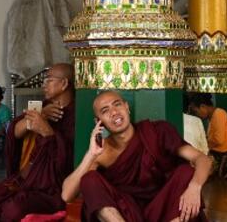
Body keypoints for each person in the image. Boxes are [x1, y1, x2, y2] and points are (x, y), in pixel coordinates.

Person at [63, 91, 212, 222]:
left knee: (185, 173)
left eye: (117, 105)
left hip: (164, 210)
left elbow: (202, 159)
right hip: (127, 215)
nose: (114, 112)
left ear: (127, 107)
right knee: (89, 180)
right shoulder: (101, 151)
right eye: (105, 110)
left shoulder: (157, 131)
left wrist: (195, 187)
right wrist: (90, 154)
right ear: (99, 122)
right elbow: (67, 195)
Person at [0, 63, 77, 222]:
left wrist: (47, 132)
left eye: (49, 80)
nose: (43, 85)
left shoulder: (76, 115)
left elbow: (67, 160)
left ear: (64, 83)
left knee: (12, 210)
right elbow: (13, 131)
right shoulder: (43, 108)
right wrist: (34, 119)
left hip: (51, 188)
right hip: (23, 179)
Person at [185, 93, 227, 181]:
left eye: (196, 111)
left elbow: (218, 140)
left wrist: (205, 147)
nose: (197, 115)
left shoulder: (219, 114)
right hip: (221, 153)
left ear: (203, 106)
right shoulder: (213, 116)